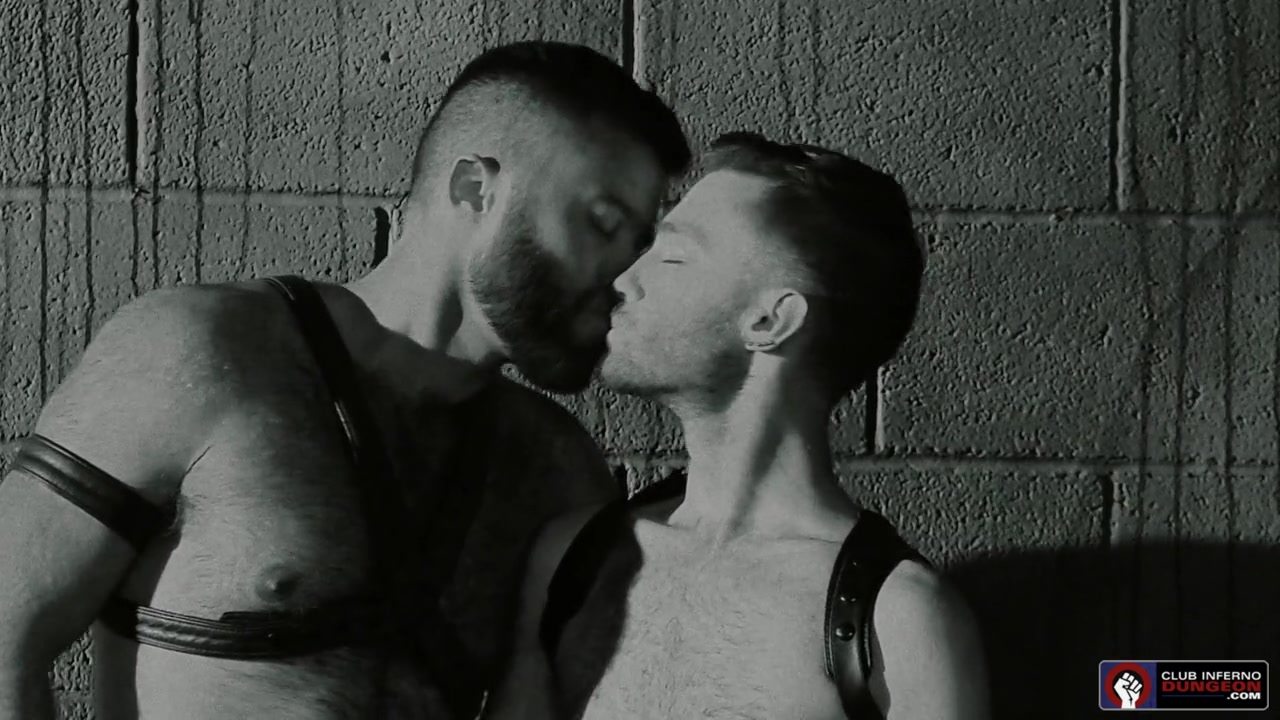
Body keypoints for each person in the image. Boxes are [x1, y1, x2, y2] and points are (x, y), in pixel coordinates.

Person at [0, 41, 689, 719]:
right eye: (602, 224)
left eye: (639, 246)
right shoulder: (208, 352)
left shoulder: (559, 475)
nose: (624, 275)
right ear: (474, 189)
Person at [483, 133, 990, 720]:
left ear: (770, 320)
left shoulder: (897, 622)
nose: (624, 279)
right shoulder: (570, 563)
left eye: (673, 257)